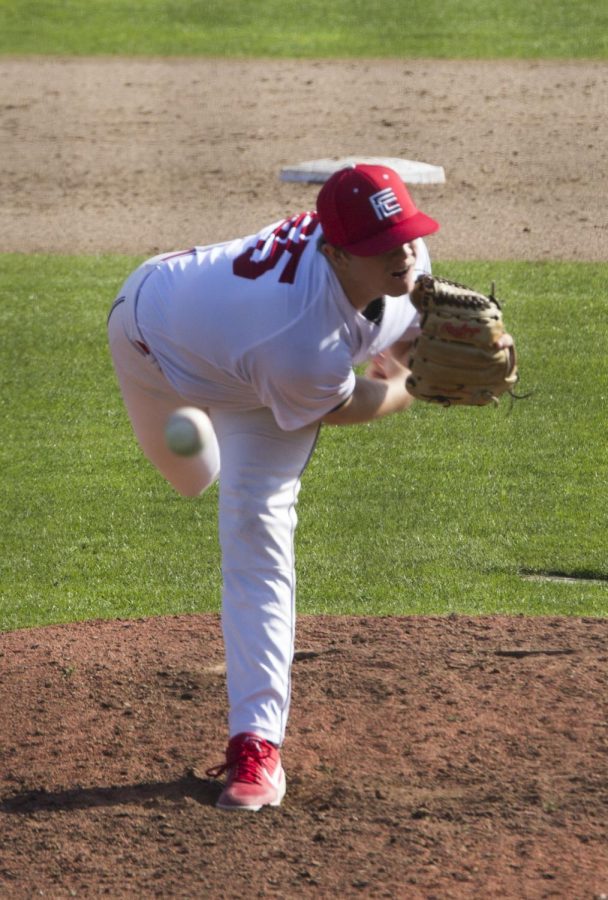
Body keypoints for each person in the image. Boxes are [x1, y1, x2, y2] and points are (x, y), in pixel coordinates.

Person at [107, 163, 440, 811]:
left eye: (407, 233)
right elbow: (346, 402)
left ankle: (256, 743)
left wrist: (453, 348)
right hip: (155, 345)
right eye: (385, 243)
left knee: (256, 525)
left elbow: (408, 331)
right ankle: (192, 431)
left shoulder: (405, 260)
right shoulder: (298, 342)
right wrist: (414, 385)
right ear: (337, 251)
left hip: (258, 369)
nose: (404, 252)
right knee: (191, 474)